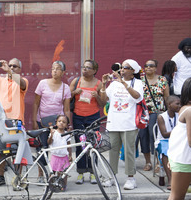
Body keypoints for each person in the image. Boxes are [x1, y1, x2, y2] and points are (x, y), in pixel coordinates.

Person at [148, 77, 191, 200]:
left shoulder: (186, 109)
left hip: (182, 159)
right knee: (175, 199)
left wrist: (170, 158)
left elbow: (176, 136)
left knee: (177, 198)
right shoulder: (189, 110)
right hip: (185, 162)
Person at [101, 59, 144, 190]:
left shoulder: (137, 83)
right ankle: (111, 177)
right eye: (122, 67)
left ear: (133, 71)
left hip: (129, 123)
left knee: (129, 151)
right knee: (113, 151)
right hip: (113, 123)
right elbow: (104, 101)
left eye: (126, 67)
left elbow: (138, 97)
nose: (123, 69)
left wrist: (124, 83)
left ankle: (131, 178)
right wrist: (103, 85)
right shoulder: (113, 84)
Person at [0, 58, 28, 185]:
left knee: (17, 150)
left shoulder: (22, 80)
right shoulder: (0, 80)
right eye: (10, 65)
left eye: (14, 66)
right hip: (1, 121)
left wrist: (9, 71)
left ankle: (18, 177)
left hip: (16, 120)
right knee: (0, 150)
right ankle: (0, 177)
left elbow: (22, 84)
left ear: (19, 69)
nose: (11, 67)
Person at [69, 60, 105, 184]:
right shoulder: (76, 81)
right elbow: (67, 98)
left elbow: (103, 104)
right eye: (83, 67)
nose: (84, 69)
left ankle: (92, 172)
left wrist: (97, 96)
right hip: (78, 116)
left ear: (94, 70)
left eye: (88, 68)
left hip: (93, 116)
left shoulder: (99, 83)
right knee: (80, 144)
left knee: (92, 144)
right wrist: (74, 92)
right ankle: (80, 172)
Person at [139, 59, 169, 171]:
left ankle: (158, 162)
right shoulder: (140, 80)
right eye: (146, 66)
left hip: (157, 112)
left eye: (151, 66)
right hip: (143, 113)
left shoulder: (162, 80)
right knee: (143, 136)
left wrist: (167, 113)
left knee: (155, 136)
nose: (148, 68)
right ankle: (148, 162)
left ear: (156, 68)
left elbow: (166, 97)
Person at [33, 60, 71, 149]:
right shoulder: (42, 83)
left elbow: (67, 109)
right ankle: (42, 163)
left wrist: (68, 125)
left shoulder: (66, 88)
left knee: (58, 148)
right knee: (42, 147)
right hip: (41, 121)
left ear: (63, 72)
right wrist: (34, 121)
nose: (54, 71)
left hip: (58, 123)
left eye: (57, 69)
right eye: (53, 68)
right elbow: (35, 103)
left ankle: (55, 163)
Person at [155, 95, 181, 190]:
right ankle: (170, 178)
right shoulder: (161, 117)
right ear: (169, 105)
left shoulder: (179, 115)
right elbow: (165, 134)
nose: (179, 106)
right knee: (165, 150)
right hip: (163, 141)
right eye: (177, 104)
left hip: (176, 140)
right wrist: (178, 130)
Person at [47, 115, 72, 190]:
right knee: (52, 171)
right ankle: (50, 185)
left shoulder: (67, 134)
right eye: (59, 121)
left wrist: (70, 155)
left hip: (64, 156)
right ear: (56, 123)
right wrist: (51, 135)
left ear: (67, 125)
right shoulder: (54, 133)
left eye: (64, 122)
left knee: (63, 173)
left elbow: (69, 145)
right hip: (55, 156)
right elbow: (49, 142)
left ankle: (63, 186)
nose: (61, 123)